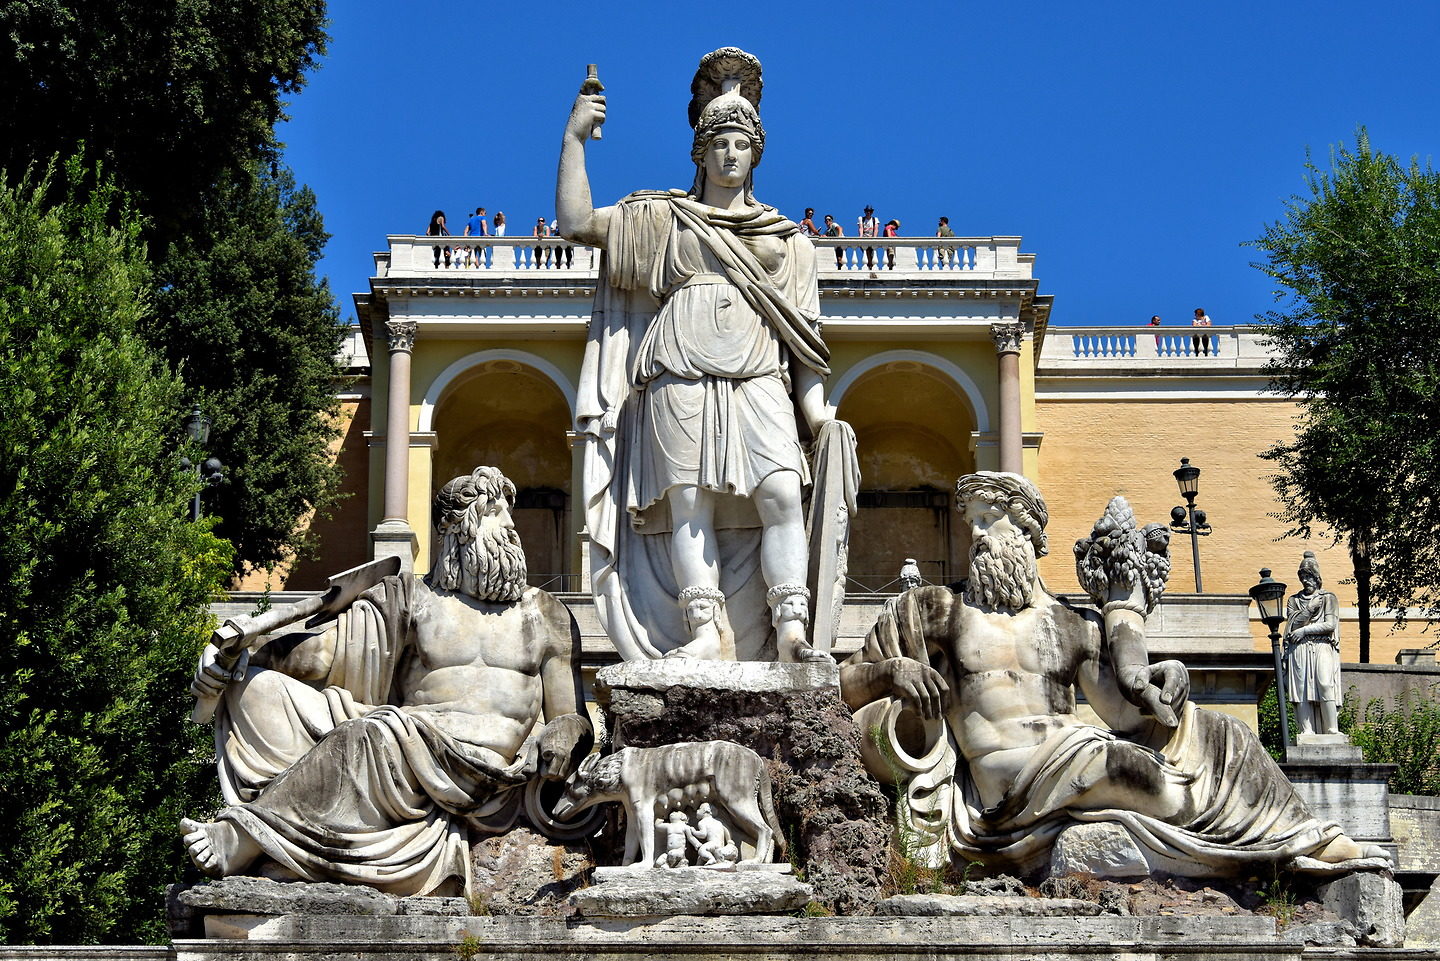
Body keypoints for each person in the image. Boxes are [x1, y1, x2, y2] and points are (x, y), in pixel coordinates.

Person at [841, 471, 1390, 879]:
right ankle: (1281, 846)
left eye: (991, 519)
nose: (978, 535)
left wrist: (1162, 680)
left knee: (1231, 736)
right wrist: (893, 672)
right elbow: (843, 687)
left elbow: (1127, 711)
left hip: (1074, 754)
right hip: (1004, 782)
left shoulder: (1073, 626)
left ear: (1029, 534)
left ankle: (1310, 839)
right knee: (1134, 771)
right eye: (972, 523)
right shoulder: (933, 609)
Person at [557, 47, 850, 664]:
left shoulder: (787, 239)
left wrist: (819, 416)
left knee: (780, 495)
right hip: (676, 368)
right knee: (689, 504)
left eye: (741, 141)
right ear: (700, 151)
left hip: (757, 369)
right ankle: (703, 631)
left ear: (756, 152)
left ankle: (791, 630)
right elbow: (578, 224)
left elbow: (805, 344)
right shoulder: (664, 220)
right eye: (718, 141)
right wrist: (575, 138)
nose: (730, 152)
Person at [179, 467, 594, 896]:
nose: (509, 527)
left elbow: (573, 716)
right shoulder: (412, 599)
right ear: (454, 528)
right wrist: (242, 651)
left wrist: (564, 730)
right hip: (412, 739)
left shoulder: (546, 613)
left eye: (510, 514)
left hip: (484, 767)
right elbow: (318, 656)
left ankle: (244, 838)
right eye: (494, 512)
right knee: (256, 688)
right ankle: (293, 849)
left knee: (373, 734)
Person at [1285, 551, 1342, 736]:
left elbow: (1330, 624)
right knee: (1300, 690)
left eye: (1309, 576)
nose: (1305, 580)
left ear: (1317, 577)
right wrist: (1309, 609)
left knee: (1325, 684)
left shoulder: (1328, 598)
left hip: (1322, 645)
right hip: (1299, 648)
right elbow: (1293, 624)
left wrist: (1304, 630)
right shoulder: (1293, 600)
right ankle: (1306, 730)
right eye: (1302, 576)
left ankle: (1332, 729)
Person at [857, 205, 879, 269]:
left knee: (871, 254)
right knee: (867, 253)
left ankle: (870, 266)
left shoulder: (875, 219)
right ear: (865, 211)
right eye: (867, 211)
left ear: (872, 212)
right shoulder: (861, 219)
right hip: (864, 238)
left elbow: (876, 229)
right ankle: (869, 266)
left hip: (871, 238)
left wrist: (874, 238)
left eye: (870, 211)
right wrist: (860, 238)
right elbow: (861, 228)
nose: (868, 212)